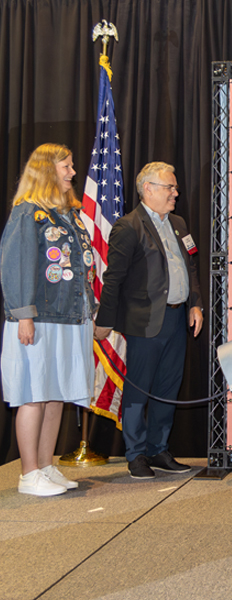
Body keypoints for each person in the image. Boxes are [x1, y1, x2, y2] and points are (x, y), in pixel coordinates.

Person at [94, 162, 203, 479]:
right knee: (139, 390)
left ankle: (158, 450)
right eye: (170, 187)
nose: (176, 193)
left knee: (168, 388)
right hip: (144, 322)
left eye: (175, 187)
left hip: (177, 319)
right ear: (148, 189)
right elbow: (113, 280)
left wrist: (195, 304)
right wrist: (105, 320)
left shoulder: (179, 223)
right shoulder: (129, 227)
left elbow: (189, 268)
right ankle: (136, 454)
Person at [1, 143, 95, 496]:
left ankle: (45, 464)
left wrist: (91, 309)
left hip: (70, 318)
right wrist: (23, 314)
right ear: (46, 170)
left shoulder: (68, 215)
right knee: (33, 392)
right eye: (66, 166)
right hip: (37, 319)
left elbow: (81, 269)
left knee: (56, 393)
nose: (73, 172)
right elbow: (15, 266)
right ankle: (28, 473)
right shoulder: (28, 213)